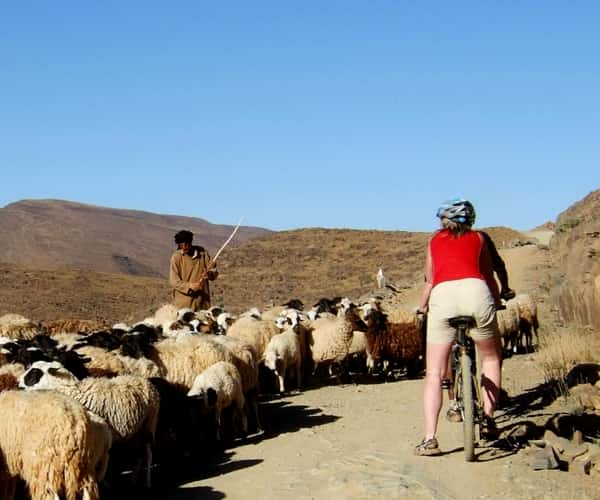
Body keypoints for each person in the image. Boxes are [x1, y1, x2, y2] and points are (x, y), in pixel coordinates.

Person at [414, 198, 503, 456]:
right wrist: (496, 301)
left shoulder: (433, 241)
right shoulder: (479, 239)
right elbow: (487, 274)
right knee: (490, 357)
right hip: (477, 294)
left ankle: (430, 438)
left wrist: (423, 306)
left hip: (442, 298)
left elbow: (430, 281)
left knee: (434, 372)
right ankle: (487, 419)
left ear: (443, 220)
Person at [169, 230, 219, 311]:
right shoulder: (176, 257)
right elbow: (174, 281)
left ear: (190, 242)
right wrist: (190, 286)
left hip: (202, 302)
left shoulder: (203, 253)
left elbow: (214, 272)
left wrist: (209, 274)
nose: (184, 247)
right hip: (183, 304)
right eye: (181, 245)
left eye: (186, 245)